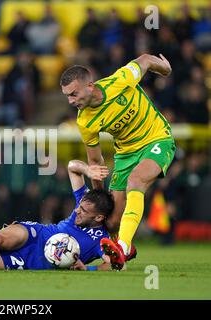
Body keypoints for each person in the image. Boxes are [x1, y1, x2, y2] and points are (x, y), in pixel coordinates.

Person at [60, 53, 175, 270]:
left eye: (74, 94)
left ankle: (121, 246)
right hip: (125, 154)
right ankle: (125, 250)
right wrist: (100, 200)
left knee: (136, 180)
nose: (71, 101)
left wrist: (165, 69)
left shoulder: (120, 80)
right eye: (67, 96)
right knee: (111, 222)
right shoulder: (85, 121)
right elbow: (95, 161)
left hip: (156, 138)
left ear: (90, 86)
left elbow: (146, 59)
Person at [0, 160, 128, 271]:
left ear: (99, 218)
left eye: (83, 211)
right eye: (79, 206)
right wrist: (88, 170)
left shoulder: (100, 240)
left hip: (34, 262)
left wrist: (86, 269)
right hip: (37, 234)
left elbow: (117, 266)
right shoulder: (83, 199)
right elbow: (73, 167)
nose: (77, 211)